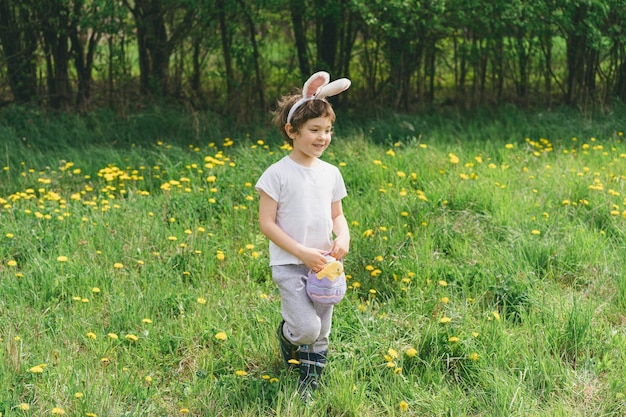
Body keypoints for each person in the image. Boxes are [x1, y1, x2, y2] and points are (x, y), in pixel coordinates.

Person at [255, 72, 351, 400]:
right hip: (291, 264)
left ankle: (309, 381)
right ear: (292, 131)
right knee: (306, 329)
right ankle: (287, 336)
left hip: (324, 264)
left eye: (327, 130)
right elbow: (266, 224)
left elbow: (337, 215)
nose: (322, 137)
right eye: (314, 130)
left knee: (322, 329)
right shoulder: (277, 174)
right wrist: (301, 252)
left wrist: (344, 238)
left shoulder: (330, 173)